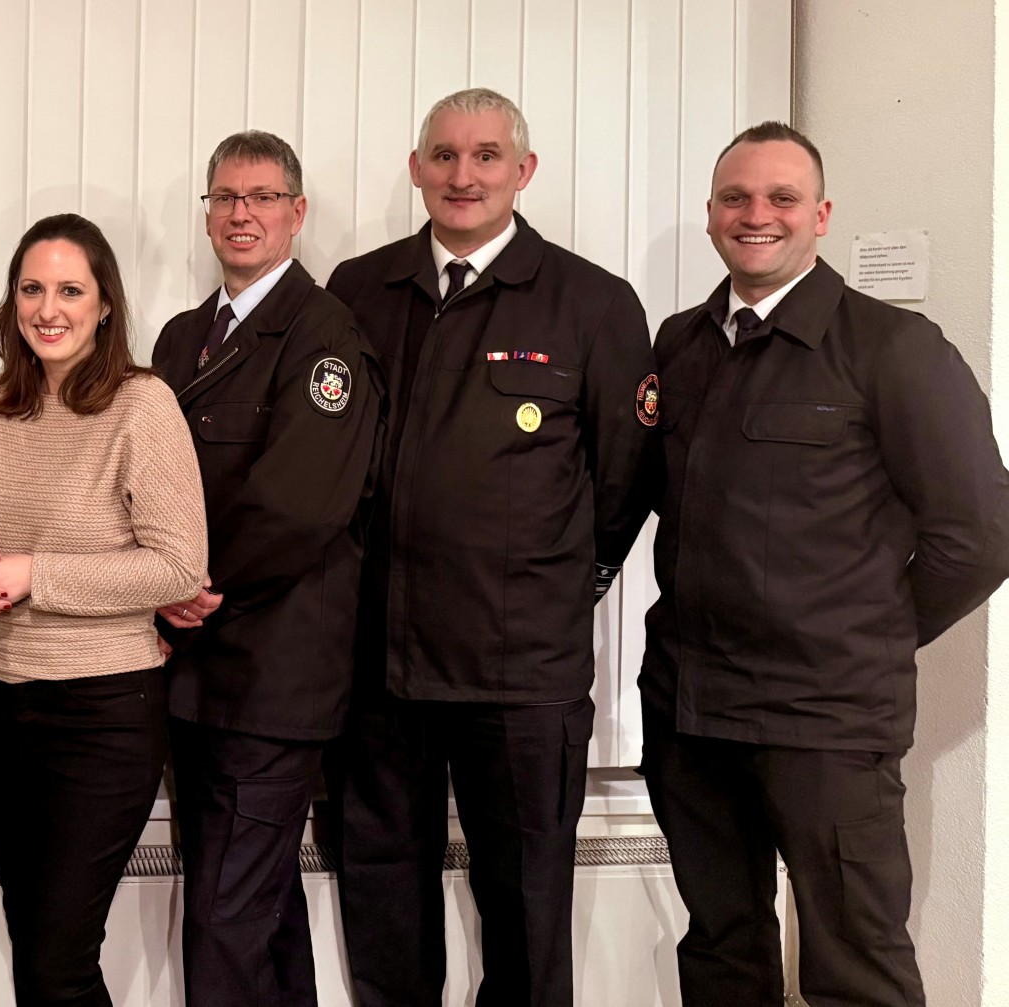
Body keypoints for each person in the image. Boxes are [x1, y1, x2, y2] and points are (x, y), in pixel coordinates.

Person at [641, 121, 1009, 1007]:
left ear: (822, 215)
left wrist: (868, 630)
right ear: (710, 215)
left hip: (826, 720)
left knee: (855, 967)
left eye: (781, 198)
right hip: (693, 715)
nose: (756, 214)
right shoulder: (680, 346)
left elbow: (983, 530)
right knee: (723, 951)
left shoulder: (892, 348)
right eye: (736, 197)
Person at [323, 87, 659, 1006]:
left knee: (526, 919)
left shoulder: (592, 302)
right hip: (378, 670)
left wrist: (557, 582)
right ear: (416, 167)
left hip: (520, 675)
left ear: (524, 169)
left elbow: (625, 479)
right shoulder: (359, 288)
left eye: (484, 156)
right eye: (443, 155)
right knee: (383, 912)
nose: (462, 175)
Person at [0, 212, 208, 1007]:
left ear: (104, 306)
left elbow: (177, 565)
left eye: (69, 290)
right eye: (32, 288)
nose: (48, 308)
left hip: (100, 715)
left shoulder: (141, 405)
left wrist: (36, 575)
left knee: (58, 959)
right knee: (37, 947)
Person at [149, 131, 383, 1007]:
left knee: (223, 918)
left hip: (274, 677)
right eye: (224, 197)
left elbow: (299, 504)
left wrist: (182, 582)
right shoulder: (181, 339)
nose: (240, 214)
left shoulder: (324, 337)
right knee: (263, 907)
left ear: (297, 212)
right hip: (193, 675)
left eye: (261, 196)